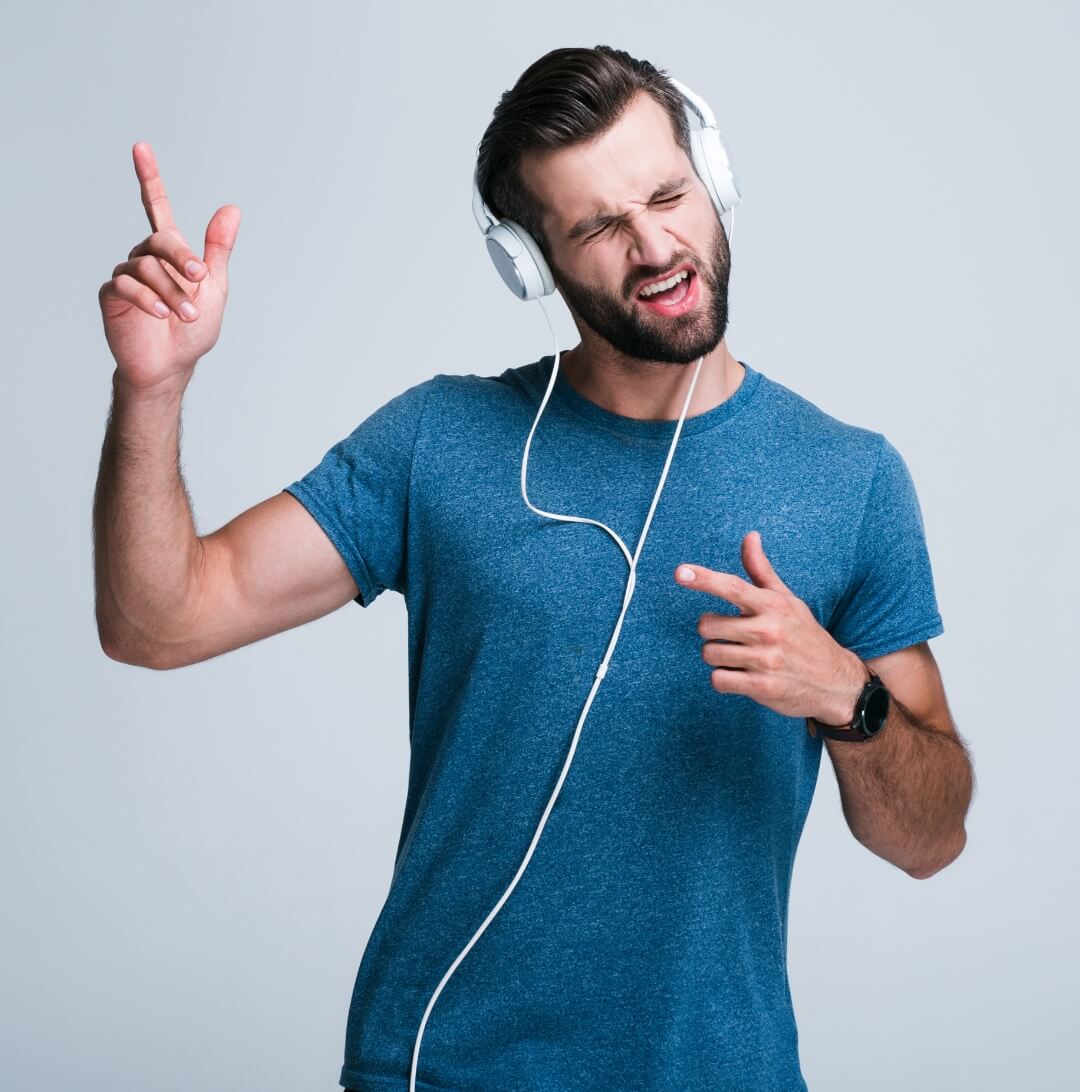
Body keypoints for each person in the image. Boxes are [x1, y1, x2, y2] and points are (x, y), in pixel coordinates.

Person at [94, 44, 974, 1092]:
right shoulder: (441, 443)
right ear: (530, 261)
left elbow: (930, 839)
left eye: (667, 194)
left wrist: (848, 697)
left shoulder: (851, 479)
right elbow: (159, 622)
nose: (656, 246)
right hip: (437, 1069)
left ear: (715, 179)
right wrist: (153, 389)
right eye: (600, 226)